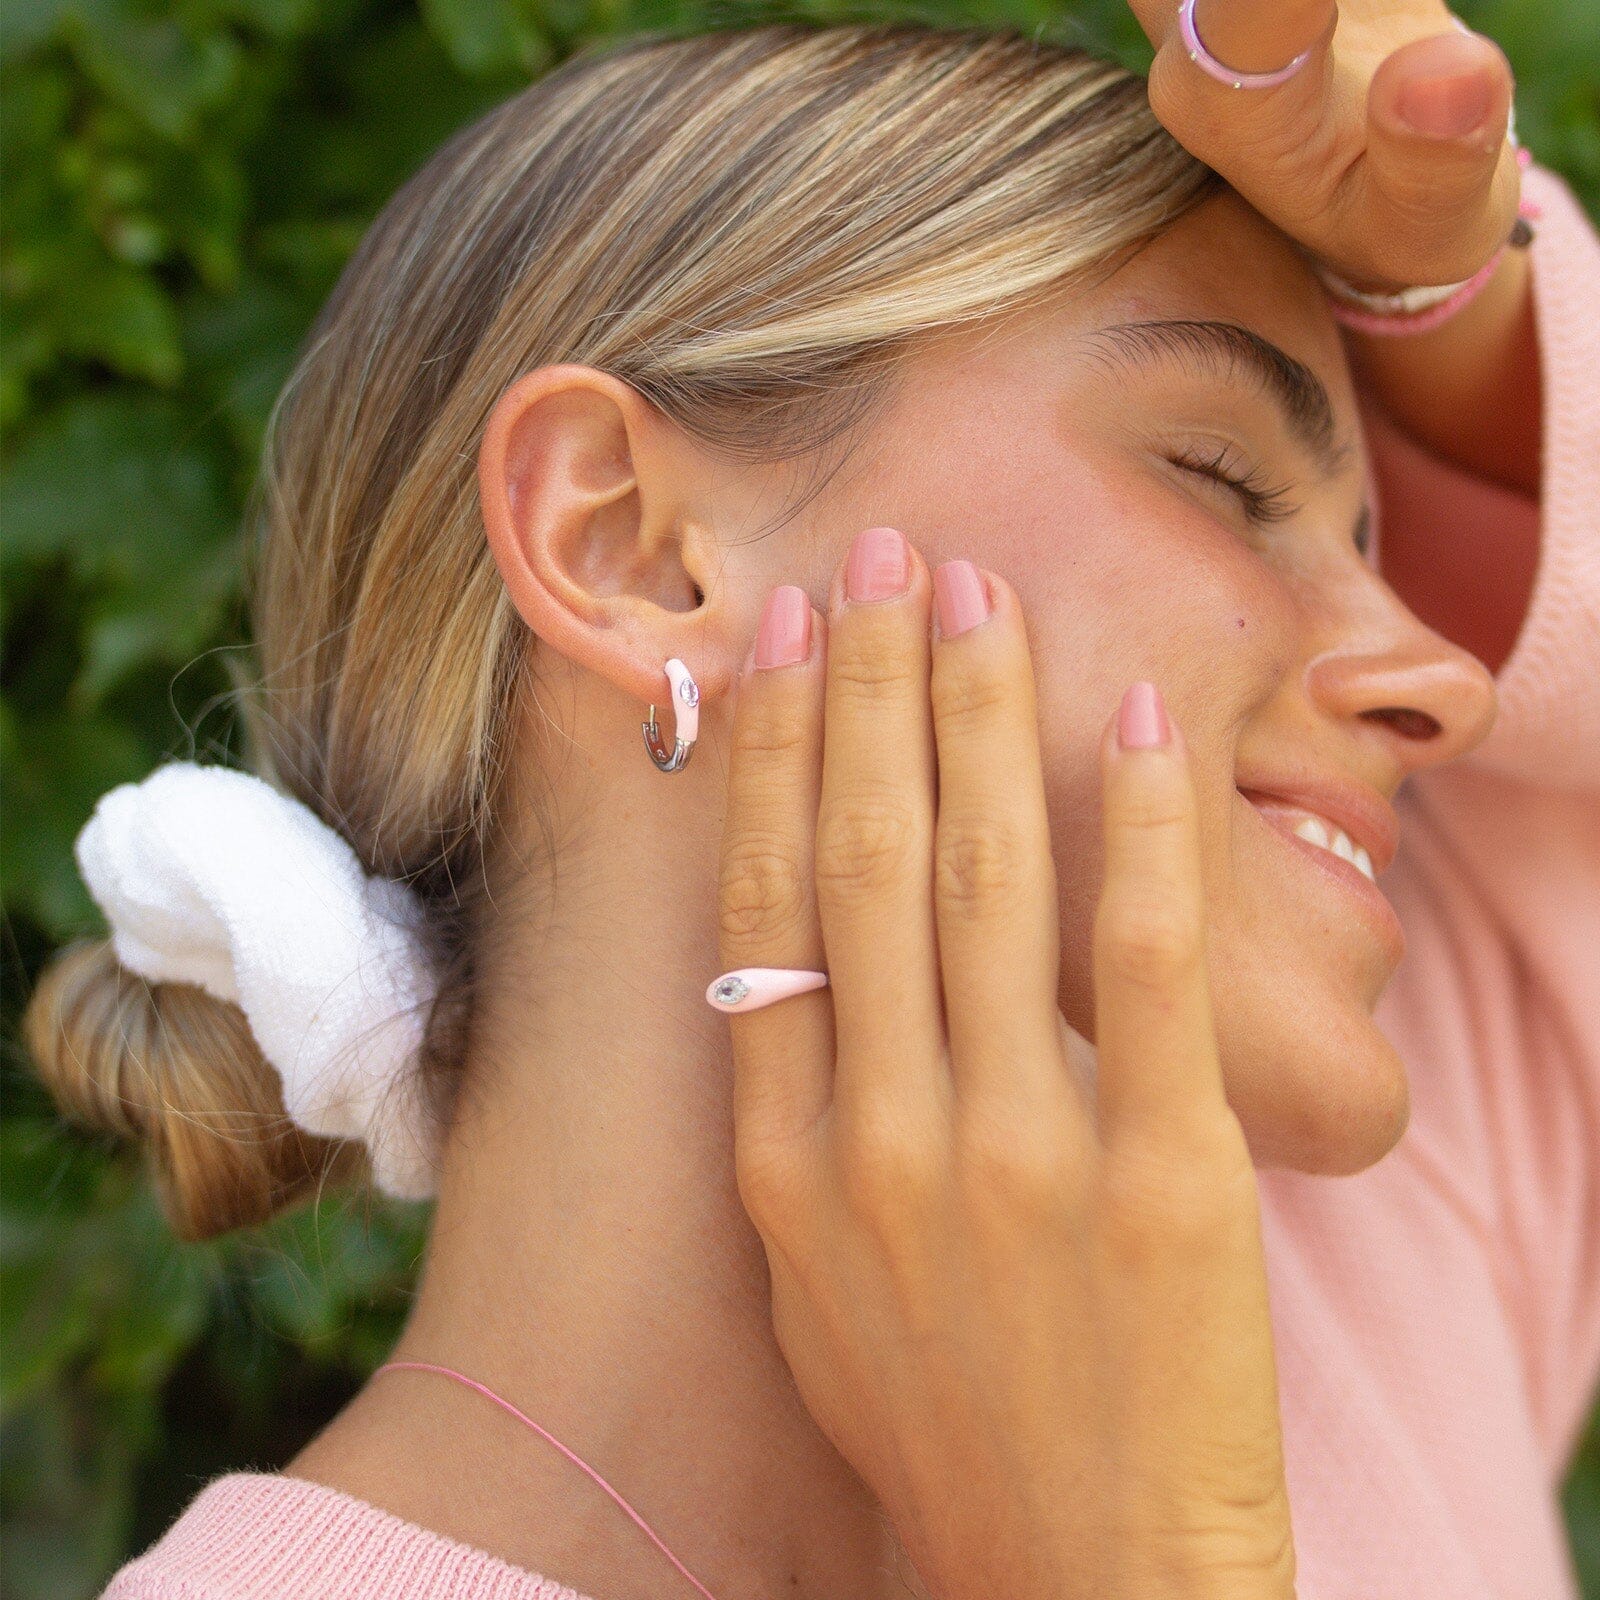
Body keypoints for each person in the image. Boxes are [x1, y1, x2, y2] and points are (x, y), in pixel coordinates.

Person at [22, 11, 1598, 1600]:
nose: (1437, 674)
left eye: (1389, 550)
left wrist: (1453, 314)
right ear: (631, 542)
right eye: (1222, 472)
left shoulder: (1359, 1269)